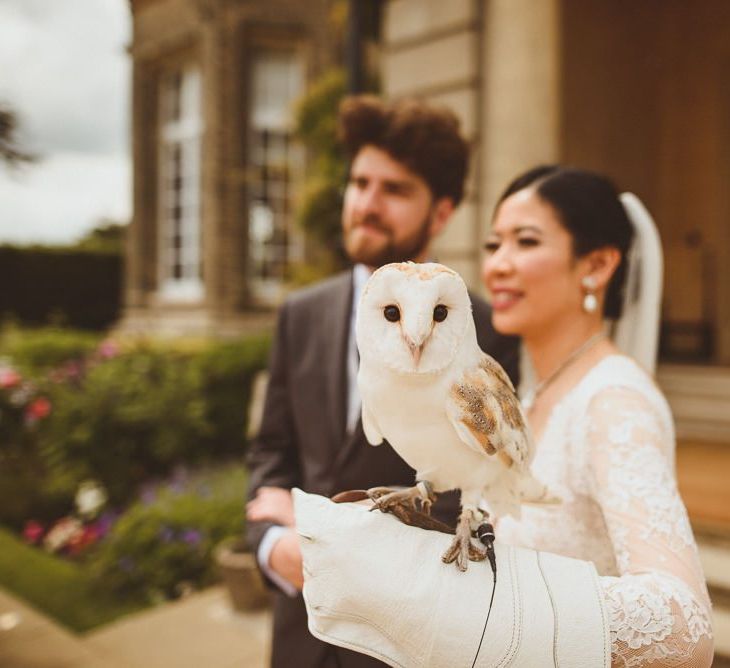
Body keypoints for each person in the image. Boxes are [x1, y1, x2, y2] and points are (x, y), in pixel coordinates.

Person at [293, 165, 714, 667]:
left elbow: (685, 625)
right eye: (493, 245)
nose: (498, 265)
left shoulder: (615, 401)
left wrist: (465, 606)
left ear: (597, 265)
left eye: (526, 242)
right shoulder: (533, 386)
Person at [245, 95, 520, 668]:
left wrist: (323, 543)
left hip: (407, 644)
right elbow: (272, 453)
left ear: (440, 213)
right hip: (299, 635)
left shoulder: (487, 333)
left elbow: (471, 502)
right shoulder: (300, 313)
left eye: (393, 190)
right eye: (360, 182)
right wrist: (275, 549)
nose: (366, 204)